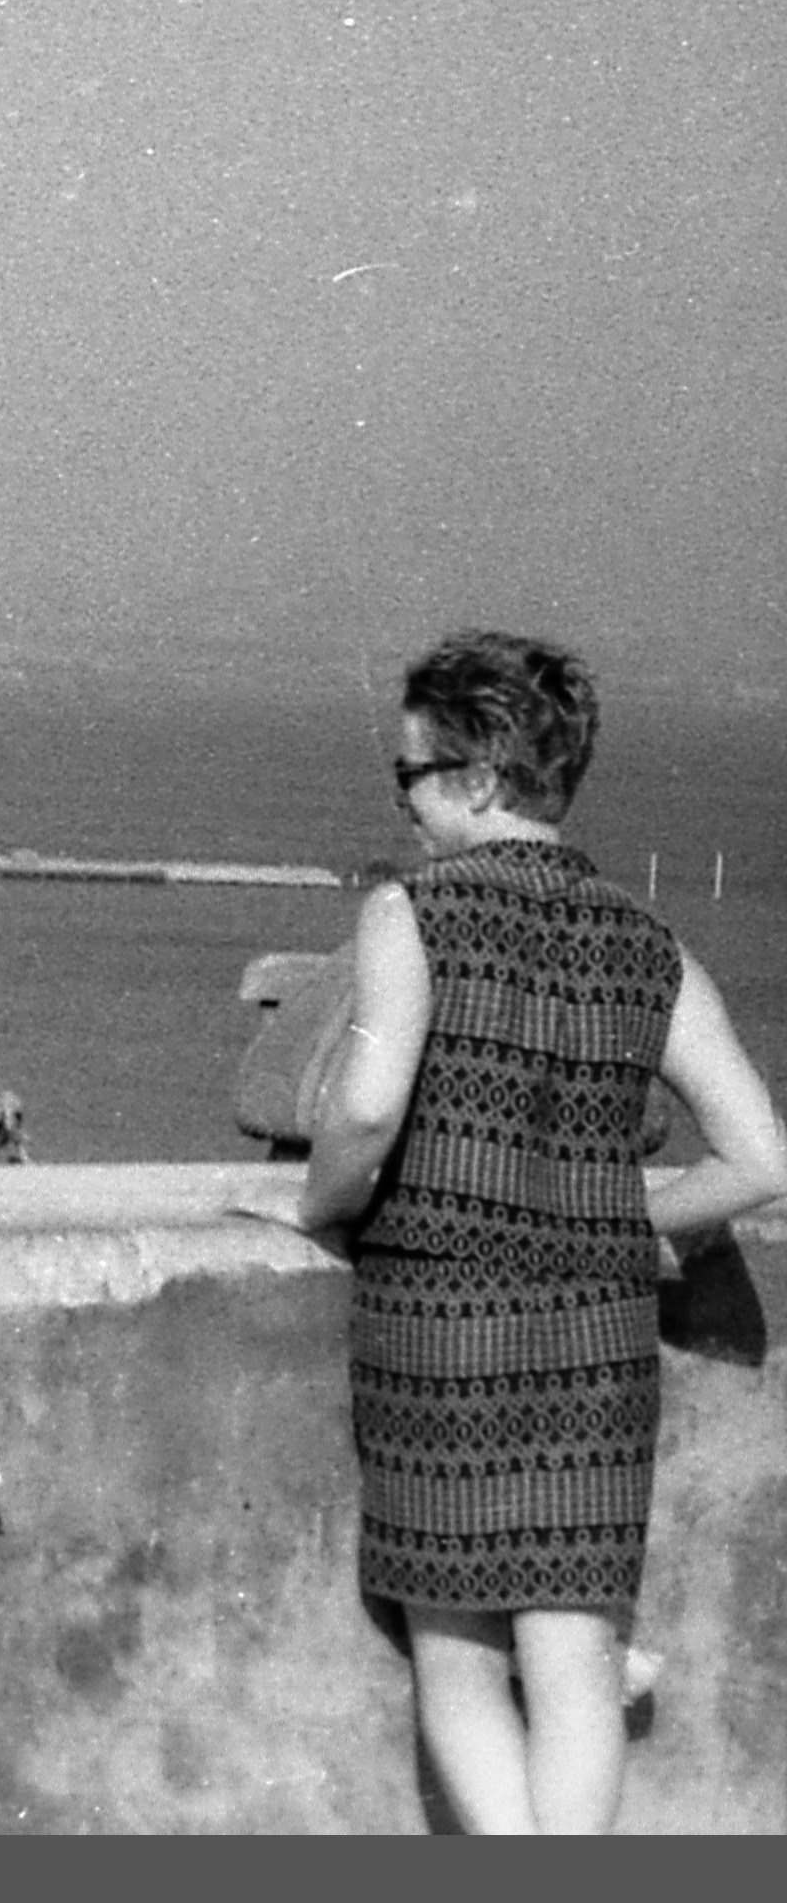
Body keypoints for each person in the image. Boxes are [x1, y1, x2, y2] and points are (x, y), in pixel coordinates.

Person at [282, 630, 787, 1835]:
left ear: (478, 776)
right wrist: (616, 1212)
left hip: (440, 1325)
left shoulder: (413, 911)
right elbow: (762, 1158)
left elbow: (365, 1109)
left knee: (458, 1659)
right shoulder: (650, 946)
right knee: (575, 1665)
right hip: (599, 1340)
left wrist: (316, 1206)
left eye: (408, 774)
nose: (401, 802)